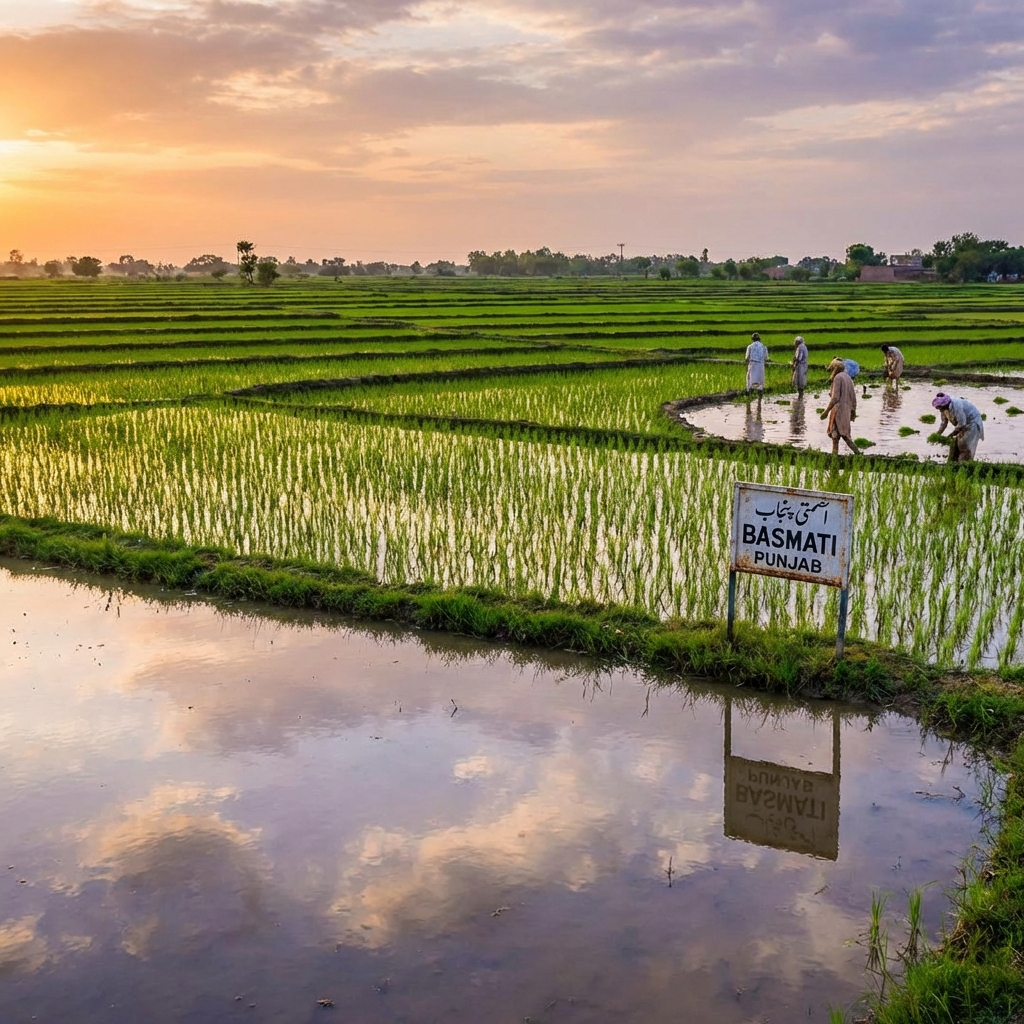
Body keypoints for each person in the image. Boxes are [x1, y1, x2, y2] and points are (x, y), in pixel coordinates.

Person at [821, 357, 859, 455]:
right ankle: (857, 454)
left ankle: (836, 456)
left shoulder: (838, 378)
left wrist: (826, 411)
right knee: (841, 435)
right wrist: (853, 411)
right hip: (846, 410)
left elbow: (835, 398)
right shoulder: (848, 378)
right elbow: (853, 398)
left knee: (839, 436)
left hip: (838, 410)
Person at [933, 392, 984, 461]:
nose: (940, 410)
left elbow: (962, 424)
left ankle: (963, 465)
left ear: (945, 405)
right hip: (963, 424)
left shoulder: (956, 406)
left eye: (940, 408)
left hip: (972, 423)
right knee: (955, 446)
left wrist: (951, 435)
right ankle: (953, 464)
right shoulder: (943, 409)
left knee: (964, 446)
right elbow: (943, 423)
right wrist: (937, 434)